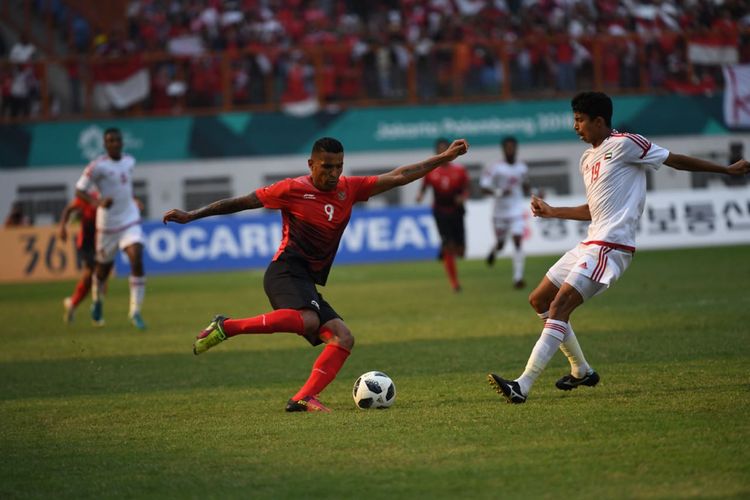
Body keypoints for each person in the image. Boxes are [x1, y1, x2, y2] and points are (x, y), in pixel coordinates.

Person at [163, 136, 470, 412]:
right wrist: (193, 216)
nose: (333, 173)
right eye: (326, 166)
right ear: (311, 164)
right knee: (309, 320)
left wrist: (444, 158)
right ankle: (227, 326)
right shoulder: (292, 189)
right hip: (285, 270)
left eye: (338, 166)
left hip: (305, 280)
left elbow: (400, 175)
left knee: (343, 337)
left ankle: (303, 398)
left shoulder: (349, 189)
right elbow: (241, 202)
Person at [488, 91, 750, 404]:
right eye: (575, 119)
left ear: (599, 121)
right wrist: (554, 211)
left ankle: (523, 385)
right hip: (591, 241)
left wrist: (726, 170)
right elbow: (595, 210)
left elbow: (675, 161)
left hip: (611, 246)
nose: (576, 127)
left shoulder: (627, 143)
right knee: (539, 299)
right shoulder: (587, 158)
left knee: (558, 308)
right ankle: (581, 370)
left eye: (580, 120)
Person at [74, 128, 147, 330]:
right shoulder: (97, 166)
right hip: (107, 226)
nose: (115, 143)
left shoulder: (130, 161)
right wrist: (97, 202)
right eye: (110, 140)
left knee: (136, 256)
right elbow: (79, 190)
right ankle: (97, 301)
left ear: (122, 142)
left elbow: (124, 188)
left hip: (130, 219)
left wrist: (133, 200)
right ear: (105, 145)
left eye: (117, 140)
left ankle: (135, 311)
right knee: (102, 271)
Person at [416, 138, 470, 292]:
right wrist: (420, 195)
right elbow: (424, 186)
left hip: (457, 211)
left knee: (461, 251)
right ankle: (454, 283)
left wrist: (463, 197)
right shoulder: (431, 171)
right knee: (449, 247)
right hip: (440, 211)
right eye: (440, 149)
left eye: (445, 148)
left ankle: (445, 247)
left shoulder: (459, 170)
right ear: (436, 152)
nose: (443, 151)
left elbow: (467, 188)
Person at [480, 136, 531, 289]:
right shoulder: (495, 168)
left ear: (516, 148)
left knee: (517, 240)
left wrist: (536, 192)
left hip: (516, 211)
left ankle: (518, 278)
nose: (510, 150)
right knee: (501, 244)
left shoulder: (522, 167)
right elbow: (483, 188)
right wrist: (500, 192)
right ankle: (494, 251)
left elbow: (526, 186)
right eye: (507, 147)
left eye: (512, 147)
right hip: (499, 213)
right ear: (503, 149)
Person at [59, 190, 99, 324]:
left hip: (103, 241)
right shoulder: (88, 197)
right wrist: (63, 227)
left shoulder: (112, 195)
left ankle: (73, 303)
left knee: (94, 276)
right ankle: (97, 311)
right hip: (86, 242)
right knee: (95, 272)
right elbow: (69, 209)